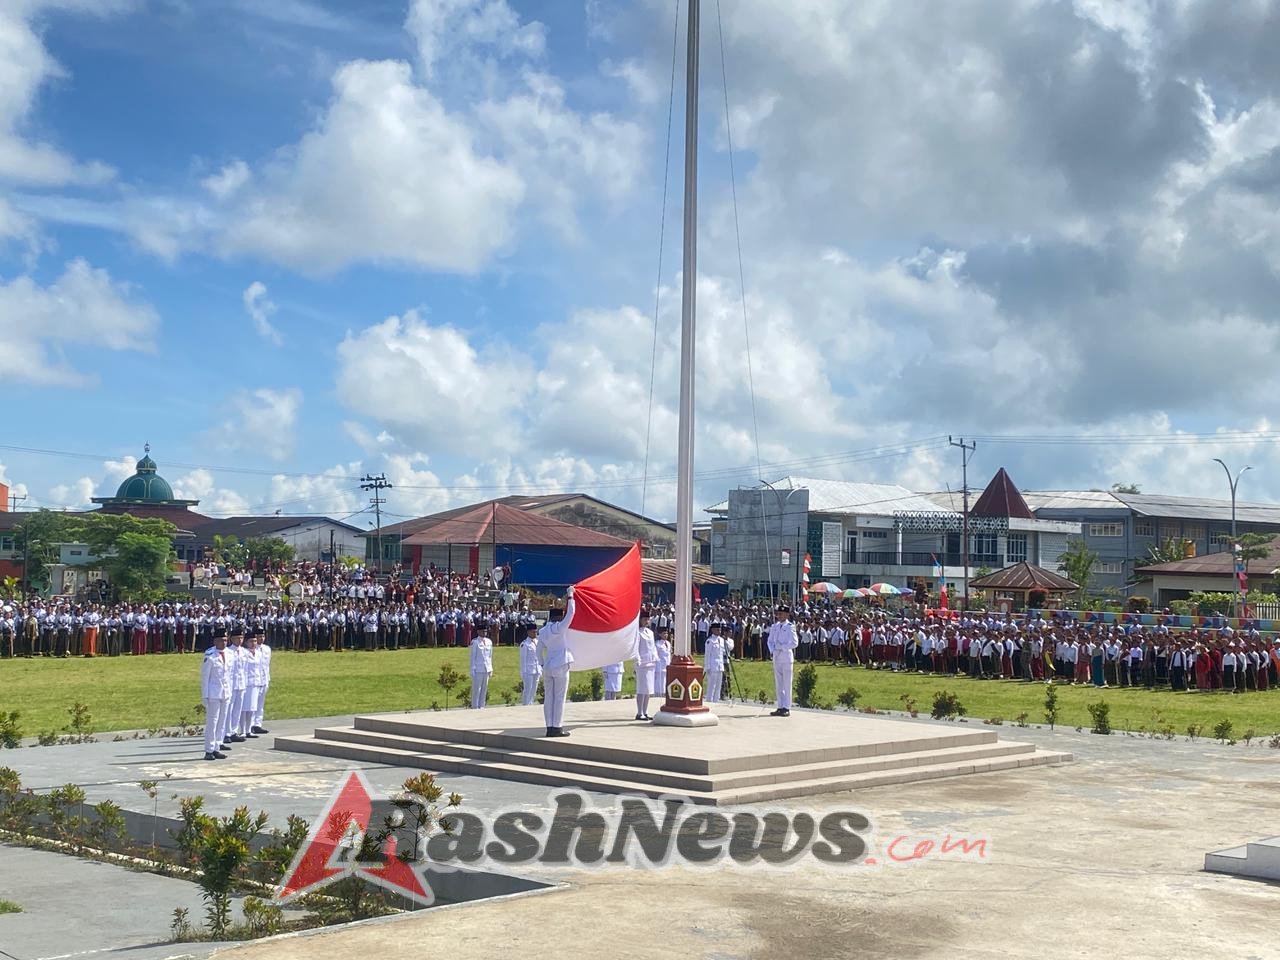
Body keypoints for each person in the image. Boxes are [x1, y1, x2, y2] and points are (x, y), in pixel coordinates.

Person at [536, 587, 576, 737]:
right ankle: (557, 727)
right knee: (559, 697)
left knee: (549, 698)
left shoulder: (543, 631)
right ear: (559, 617)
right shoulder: (559, 628)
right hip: (561, 664)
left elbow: (538, 650)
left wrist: (541, 663)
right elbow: (571, 613)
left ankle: (549, 727)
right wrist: (571, 595)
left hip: (548, 665)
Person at [201, 633, 232, 761]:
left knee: (222, 722)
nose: (223, 643)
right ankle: (209, 750)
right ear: (215, 641)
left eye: (225, 640)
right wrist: (205, 696)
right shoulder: (210, 655)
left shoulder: (230, 654)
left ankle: (217, 747)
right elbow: (205, 677)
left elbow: (230, 674)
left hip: (226, 692)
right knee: (212, 722)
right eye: (221, 640)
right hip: (213, 693)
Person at [766, 604, 798, 717]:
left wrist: (782, 647)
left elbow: (794, 643)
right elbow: (769, 641)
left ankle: (787, 707)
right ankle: (780, 706)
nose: (779, 616)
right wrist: (772, 650)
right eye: (778, 614)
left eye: (781, 614)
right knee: (778, 683)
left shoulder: (790, 627)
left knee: (786, 683)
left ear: (786, 614)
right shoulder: (775, 626)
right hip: (776, 657)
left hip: (786, 657)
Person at [633, 610, 658, 721]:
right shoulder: (637, 632)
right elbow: (635, 647)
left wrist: (656, 657)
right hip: (642, 663)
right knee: (641, 689)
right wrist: (637, 659)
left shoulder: (650, 632)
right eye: (644, 619)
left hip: (650, 662)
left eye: (648, 619)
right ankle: (639, 712)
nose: (646, 621)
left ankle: (645, 711)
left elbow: (652, 647)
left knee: (648, 689)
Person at [250, 628, 271, 734]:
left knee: (260, 704)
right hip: (255, 680)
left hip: (264, 679)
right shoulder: (252, 649)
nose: (261, 639)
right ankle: (251, 724)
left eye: (263, 636)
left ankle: (258, 724)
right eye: (259, 637)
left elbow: (267, 666)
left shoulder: (267, 649)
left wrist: (267, 679)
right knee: (252, 703)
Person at [470, 627, 493, 709]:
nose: (485, 632)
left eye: (486, 631)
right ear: (478, 631)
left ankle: (482, 706)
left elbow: (490, 656)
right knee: (477, 689)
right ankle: (475, 706)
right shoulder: (475, 642)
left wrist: (491, 668)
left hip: (486, 669)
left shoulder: (489, 642)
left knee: (484, 689)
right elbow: (473, 657)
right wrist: (472, 669)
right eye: (483, 631)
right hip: (478, 669)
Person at [519, 623, 542, 705]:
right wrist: (523, 672)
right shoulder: (525, 644)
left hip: (537, 670)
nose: (535, 633)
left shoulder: (537, 642)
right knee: (527, 690)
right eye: (533, 632)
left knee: (534, 690)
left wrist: (540, 668)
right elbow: (523, 659)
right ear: (528, 632)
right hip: (528, 671)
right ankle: (525, 705)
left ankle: (531, 704)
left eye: (536, 632)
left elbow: (539, 655)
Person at [704, 623, 724, 705]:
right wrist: (707, 667)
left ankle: (716, 701)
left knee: (718, 685)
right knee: (712, 685)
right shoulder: (710, 641)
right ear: (713, 630)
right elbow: (707, 654)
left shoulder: (721, 640)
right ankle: (709, 701)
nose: (719, 631)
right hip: (712, 665)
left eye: (720, 629)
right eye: (717, 629)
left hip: (720, 665)